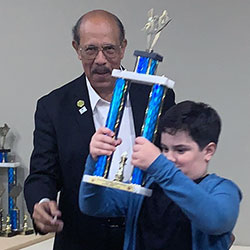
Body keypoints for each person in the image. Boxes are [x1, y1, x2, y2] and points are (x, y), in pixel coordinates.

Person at [24, 9, 175, 250]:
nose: (101, 60)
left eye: (109, 49)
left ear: (123, 47)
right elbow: (43, 173)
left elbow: (175, 164)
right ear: (77, 49)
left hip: (146, 236)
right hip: (81, 238)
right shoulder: (53, 107)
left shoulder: (155, 97)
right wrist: (41, 203)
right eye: (91, 49)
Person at [79, 100, 242, 250]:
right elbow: (92, 204)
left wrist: (158, 165)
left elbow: (213, 220)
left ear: (208, 151)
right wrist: (94, 160)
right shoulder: (146, 185)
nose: (169, 158)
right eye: (164, 149)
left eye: (180, 150)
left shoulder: (224, 190)